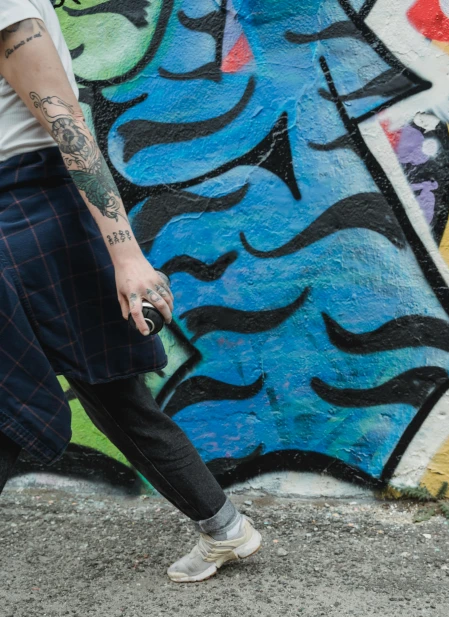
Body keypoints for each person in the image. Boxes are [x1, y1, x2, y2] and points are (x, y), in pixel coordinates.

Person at [0, 0, 262, 583]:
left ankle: (225, 529)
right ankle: (225, 528)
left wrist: (126, 255)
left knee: (12, 399)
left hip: (27, 212)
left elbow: (67, 124)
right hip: (33, 217)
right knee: (111, 388)